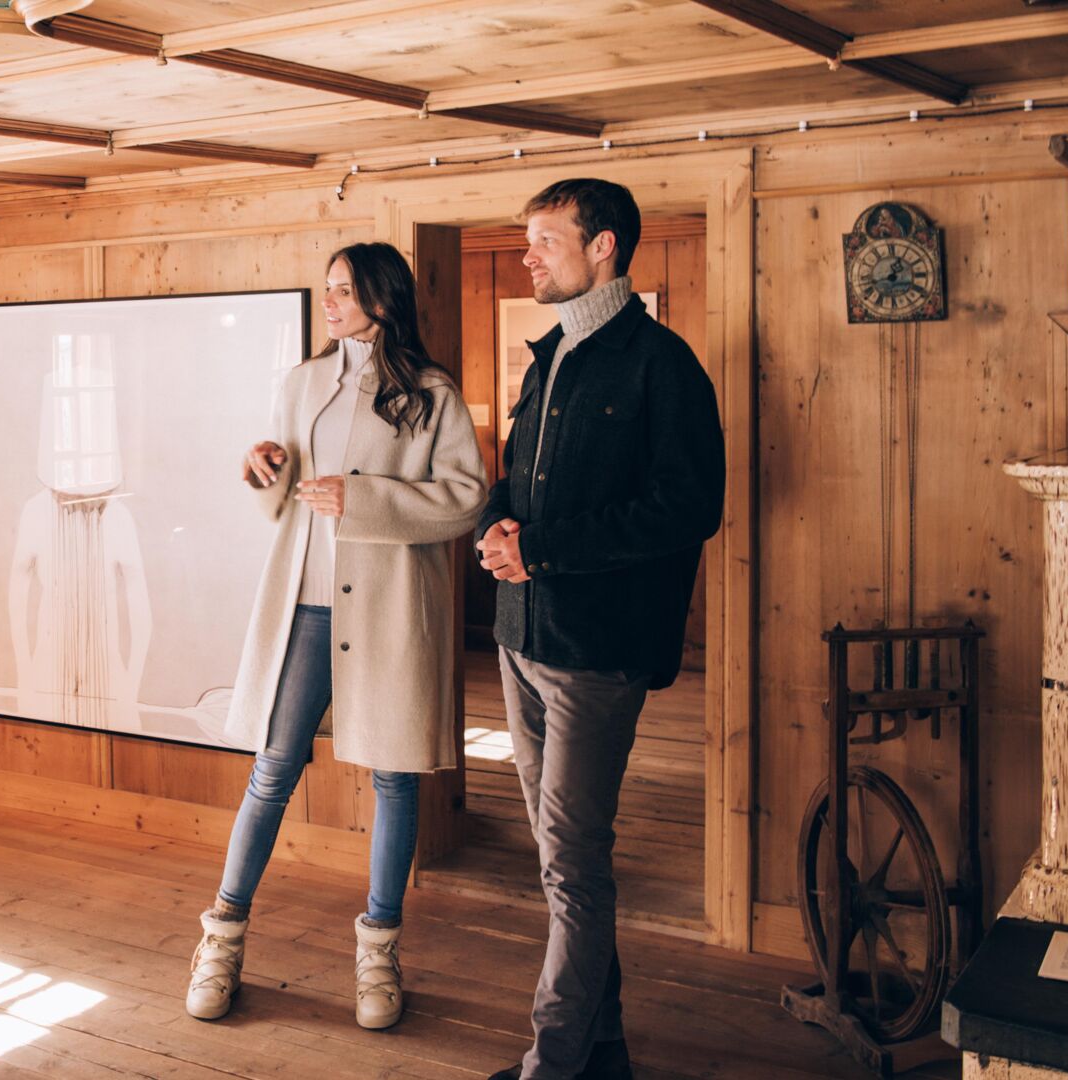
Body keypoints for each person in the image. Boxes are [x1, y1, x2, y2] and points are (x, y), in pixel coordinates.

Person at [185, 242, 489, 1030]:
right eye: (326, 290)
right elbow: (284, 499)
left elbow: (463, 500)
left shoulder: (431, 393)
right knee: (272, 770)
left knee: (394, 779)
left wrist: (365, 500)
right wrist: (263, 469)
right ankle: (220, 940)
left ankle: (380, 955)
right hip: (305, 607)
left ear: (383, 297)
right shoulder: (301, 383)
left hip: (388, 611)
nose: (330, 302)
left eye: (344, 290)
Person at [474, 179, 724, 1080]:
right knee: (559, 858)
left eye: (544, 239)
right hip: (519, 640)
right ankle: (602, 1051)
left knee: (572, 865)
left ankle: (554, 1064)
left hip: (597, 654)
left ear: (604, 246)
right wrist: (497, 529)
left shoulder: (664, 365)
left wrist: (541, 549)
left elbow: (687, 507)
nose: (528, 255)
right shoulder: (548, 358)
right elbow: (515, 481)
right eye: (526, 239)